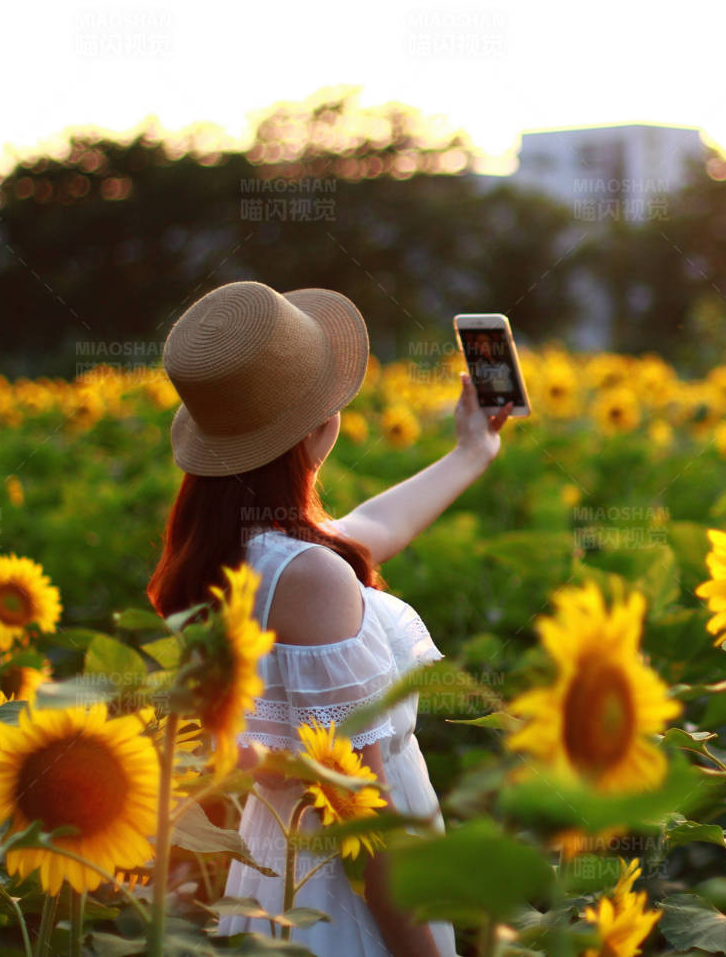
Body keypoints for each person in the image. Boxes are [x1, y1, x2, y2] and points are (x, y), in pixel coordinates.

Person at [147, 281, 511, 956]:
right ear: (320, 429)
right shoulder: (309, 577)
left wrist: (470, 452)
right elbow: (362, 829)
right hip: (348, 902)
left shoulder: (240, 551)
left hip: (282, 867)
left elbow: (366, 529)